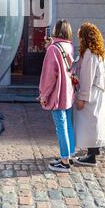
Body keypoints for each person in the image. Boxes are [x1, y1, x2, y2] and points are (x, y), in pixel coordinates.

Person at [39, 19, 75, 173]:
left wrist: (43, 95)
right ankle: (69, 155)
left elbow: (49, 76)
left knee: (61, 126)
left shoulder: (53, 49)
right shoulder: (69, 46)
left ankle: (64, 161)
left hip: (58, 93)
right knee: (68, 125)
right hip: (68, 92)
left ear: (57, 30)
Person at [74, 22, 105, 167]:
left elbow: (87, 78)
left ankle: (91, 156)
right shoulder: (99, 52)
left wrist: (82, 98)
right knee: (96, 122)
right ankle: (94, 150)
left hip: (91, 94)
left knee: (90, 124)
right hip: (99, 93)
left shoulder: (90, 54)